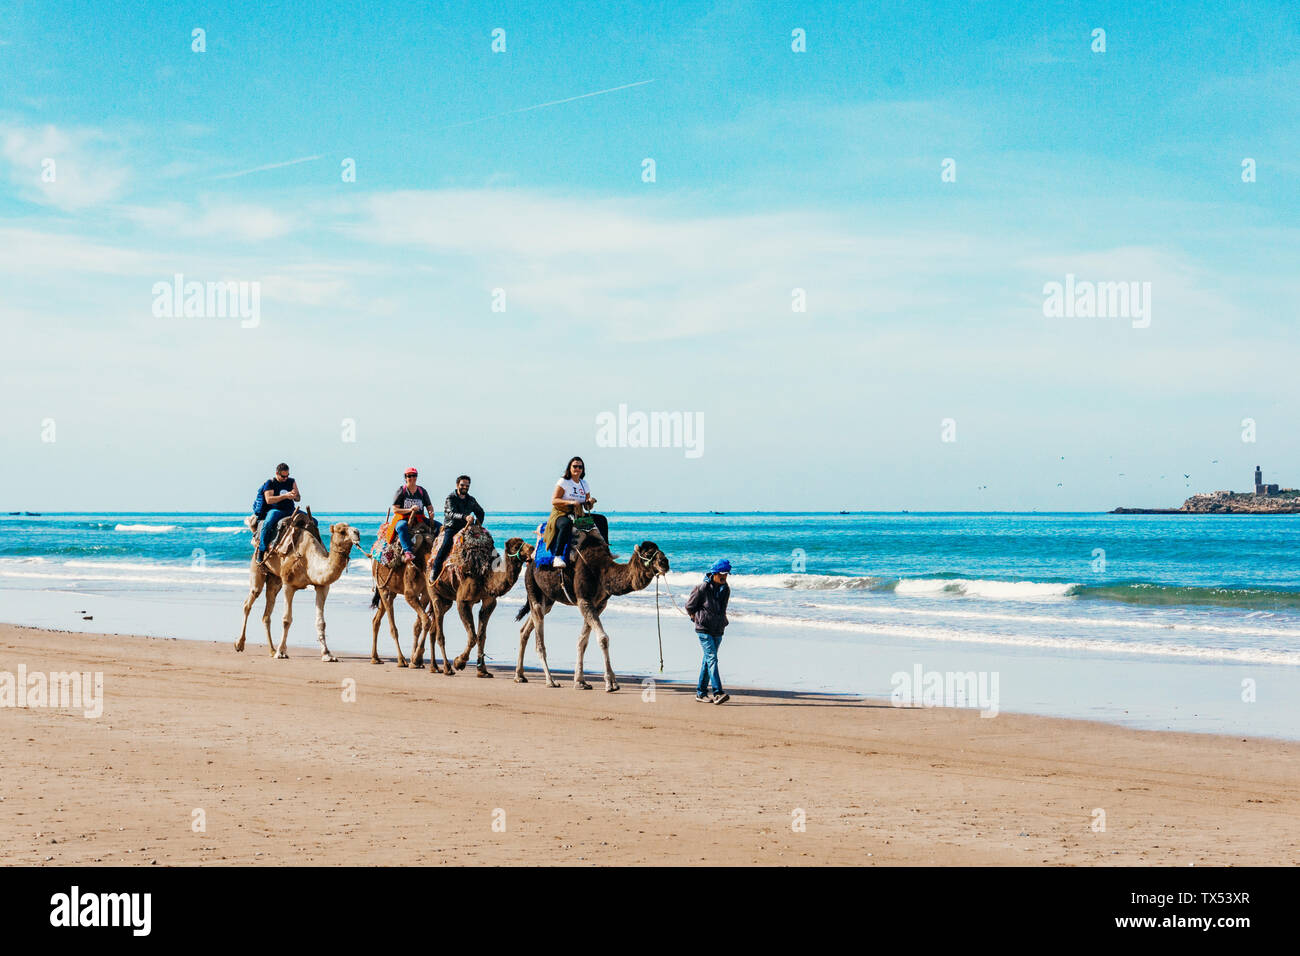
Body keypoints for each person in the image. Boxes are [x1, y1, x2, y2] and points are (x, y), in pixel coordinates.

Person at [544, 456, 609, 568]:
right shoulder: (564, 481)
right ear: (570, 467)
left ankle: (605, 549)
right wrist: (571, 502)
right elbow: (554, 500)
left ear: (583, 470)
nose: (577, 469)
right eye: (575, 466)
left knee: (601, 519)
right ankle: (557, 557)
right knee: (566, 524)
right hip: (561, 513)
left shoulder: (584, 484)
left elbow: (588, 508)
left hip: (578, 514)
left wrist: (590, 502)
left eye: (580, 467)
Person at [686, 559, 732, 704]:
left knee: (708, 661)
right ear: (714, 574)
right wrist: (697, 619)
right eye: (722, 574)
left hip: (718, 629)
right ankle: (718, 692)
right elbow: (689, 606)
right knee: (712, 659)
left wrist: (722, 623)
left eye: (727, 574)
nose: (725, 576)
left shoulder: (726, 589)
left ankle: (701, 693)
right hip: (704, 629)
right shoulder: (702, 588)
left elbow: (722, 609)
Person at [429, 475, 486, 579]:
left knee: (484, 541)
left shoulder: (471, 499)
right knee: (446, 544)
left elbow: (480, 512)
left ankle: (489, 570)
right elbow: (450, 513)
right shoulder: (451, 498)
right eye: (462, 485)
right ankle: (435, 569)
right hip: (452, 527)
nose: (465, 487)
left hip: (467, 527)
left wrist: (478, 523)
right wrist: (465, 517)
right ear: (457, 485)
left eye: (467, 486)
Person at [253, 463, 300, 564]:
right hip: (276, 510)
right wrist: (285, 496)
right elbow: (269, 500)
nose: (285, 478)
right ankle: (261, 550)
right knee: (268, 523)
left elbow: (298, 498)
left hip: (290, 510)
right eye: (283, 476)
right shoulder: (270, 483)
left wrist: (295, 496)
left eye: (287, 475)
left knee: (313, 521)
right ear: (277, 474)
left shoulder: (291, 481)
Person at [391, 467, 436, 564]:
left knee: (440, 527)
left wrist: (431, 513)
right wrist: (410, 510)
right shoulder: (401, 491)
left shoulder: (421, 491)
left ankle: (440, 550)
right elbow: (395, 509)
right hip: (404, 518)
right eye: (409, 476)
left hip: (420, 519)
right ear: (405, 477)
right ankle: (408, 551)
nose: (412, 478)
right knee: (401, 527)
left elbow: (429, 506)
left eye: (414, 475)